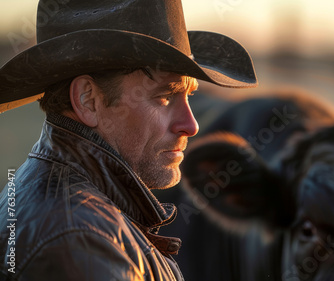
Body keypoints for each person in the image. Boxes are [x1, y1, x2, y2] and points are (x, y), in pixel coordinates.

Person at [0, 0, 257, 280]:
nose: (191, 125)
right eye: (165, 96)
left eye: (189, 95)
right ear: (88, 100)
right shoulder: (78, 239)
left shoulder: (73, 218)